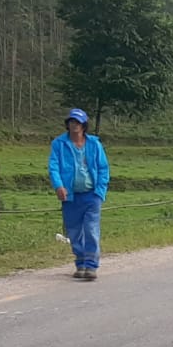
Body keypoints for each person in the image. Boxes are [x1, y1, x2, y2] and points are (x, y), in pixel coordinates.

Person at [48, 108, 111, 281]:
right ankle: (81, 262)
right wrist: (58, 186)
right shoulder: (59, 144)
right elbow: (53, 166)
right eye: (71, 122)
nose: (74, 125)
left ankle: (91, 266)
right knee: (74, 231)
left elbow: (103, 168)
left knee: (91, 229)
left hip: (91, 195)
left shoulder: (94, 144)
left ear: (84, 125)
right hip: (70, 196)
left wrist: (100, 191)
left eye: (77, 122)